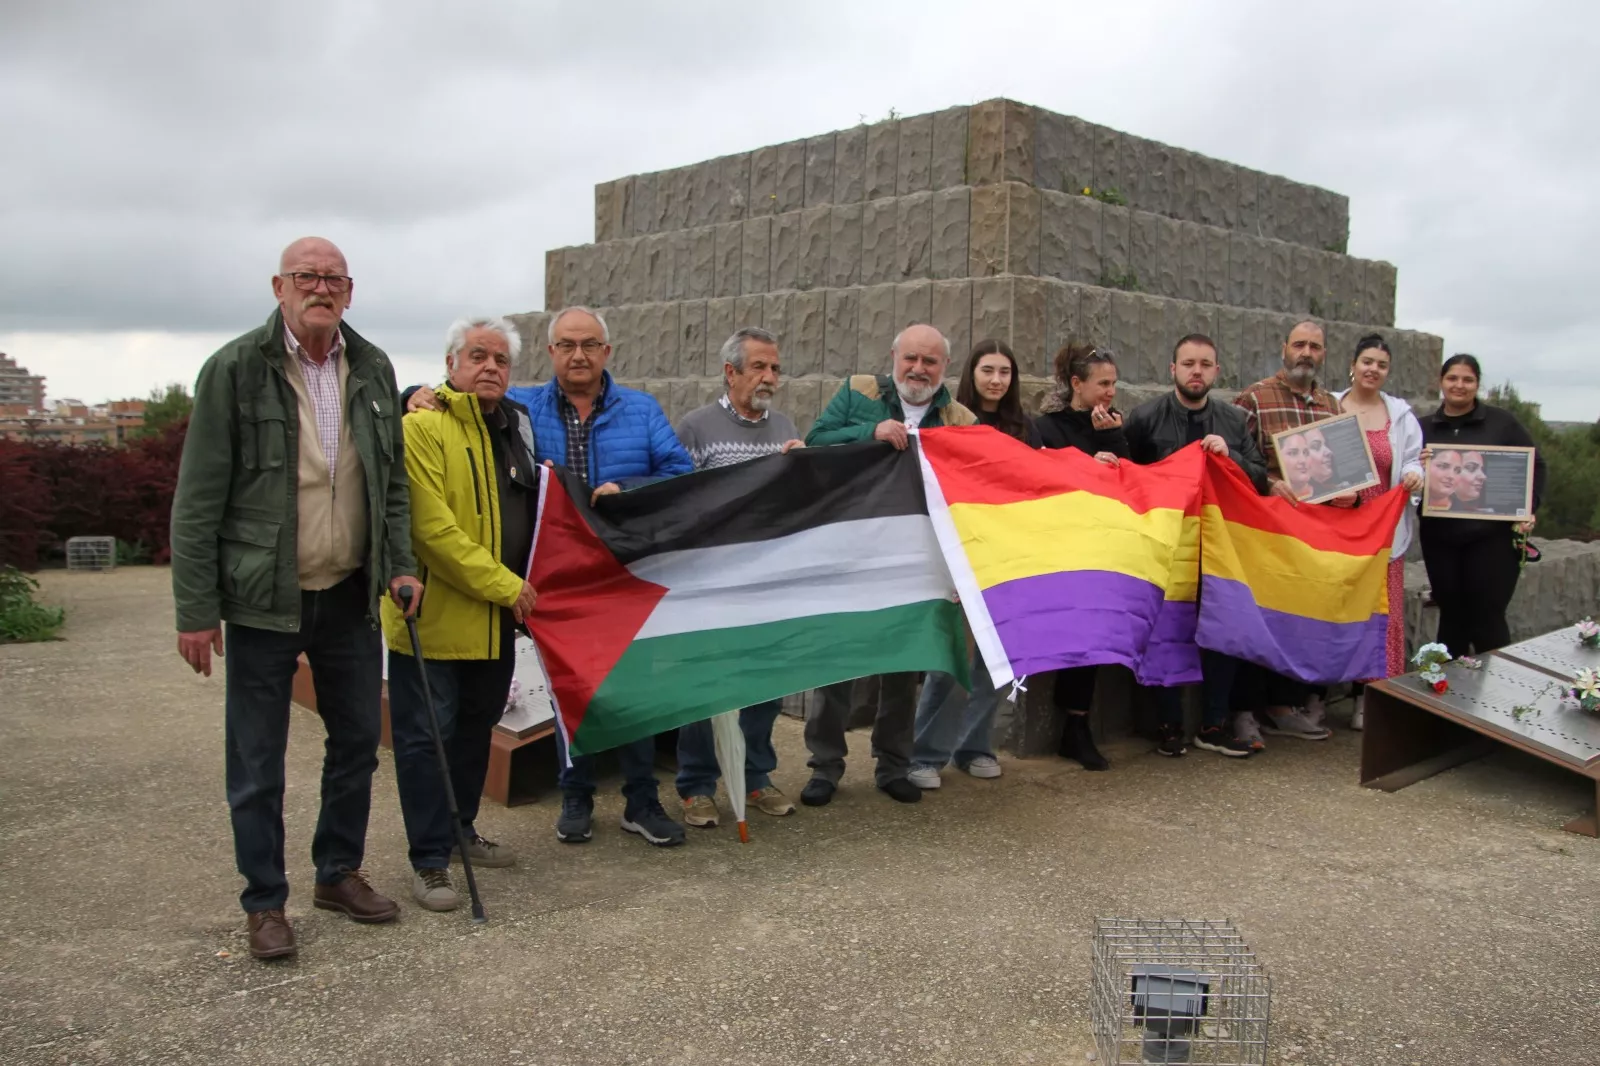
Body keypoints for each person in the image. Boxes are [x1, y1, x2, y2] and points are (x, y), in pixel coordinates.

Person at [170, 237, 422, 960]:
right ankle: (265, 901)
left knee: (357, 743)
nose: (321, 288)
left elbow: (391, 483)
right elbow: (197, 499)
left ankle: (337, 872)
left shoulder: (371, 367)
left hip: (348, 592)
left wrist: (400, 564)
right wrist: (196, 610)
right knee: (257, 760)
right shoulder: (234, 369)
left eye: (333, 278)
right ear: (279, 286)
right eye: (306, 276)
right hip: (264, 598)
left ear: (350, 291)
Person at [503, 307, 694, 846]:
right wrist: (414, 395)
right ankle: (576, 795)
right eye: (567, 345)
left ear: (607, 351)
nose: (578, 355)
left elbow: (679, 472)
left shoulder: (641, 409)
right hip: (558, 577)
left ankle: (641, 801)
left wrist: (627, 489)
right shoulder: (520, 409)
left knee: (636, 687)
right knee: (570, 689)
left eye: (589, 344)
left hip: (625, 573)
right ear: (550, 352)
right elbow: (461, 398)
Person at [380, 317, 537, 912]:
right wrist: (507, 586)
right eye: (478, 356)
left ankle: (459, 831)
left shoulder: (515, 428)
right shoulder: (421, 426)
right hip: (435, 620)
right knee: (427, 744)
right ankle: (428, 861)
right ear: (451, 364)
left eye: (501, 359)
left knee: (475, 733)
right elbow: (432, 531)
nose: (490, 367)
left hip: (495, 622)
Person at [800, 323, 976, 806]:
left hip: (913, 561)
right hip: (851, 552)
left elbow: (974, 486)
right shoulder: (858, 392)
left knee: (902, 670)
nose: (918, 369)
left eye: (930, 361)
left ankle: (894, 766)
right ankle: (825, 767)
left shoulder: (961, 418)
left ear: (945, 367)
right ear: (894, 357)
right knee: (837, 666)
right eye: (910, 358)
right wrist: (870, 433)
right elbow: (815, 442)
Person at [672, 327, 805, 829]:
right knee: (703, 686)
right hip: (710, 583)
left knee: (764, 685)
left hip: (768, 583)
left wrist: (803, 468)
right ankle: (697, 787)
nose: (769, 377)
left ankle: (756, 777)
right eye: (759, 367)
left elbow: (798, 504)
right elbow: (680, 500)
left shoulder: (785, 427)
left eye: (775, 368)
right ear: (730, 373)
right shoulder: (696, 428)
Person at [1125, 334, 1267, 759]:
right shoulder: (1144, 418)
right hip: (1166, 545)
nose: (1196, 371)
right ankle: (1168, 725)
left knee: (1224, 629)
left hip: (1220, 546)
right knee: (1166, 630)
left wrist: (1231, 459)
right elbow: (1128, 476)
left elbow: (1260, 479)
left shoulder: (1234, 421)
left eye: (1205, 364)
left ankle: (1214, 724)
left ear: (1217, 371)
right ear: (1173, 369)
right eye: (1188, 363)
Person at [907, 340, 1034, 791]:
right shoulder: (950, 420)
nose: (996, 380)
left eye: (1005, 372)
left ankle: (975, 746)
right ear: (971, 374)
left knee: (994, 660)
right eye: (987, 370)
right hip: (958, 555)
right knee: (950, 661)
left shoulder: (1026, 428)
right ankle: (924, 754)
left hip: (1008, 557)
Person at [1233, 319, 1354, 743]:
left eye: (1315, 347)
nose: (1306, 353)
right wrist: (1268, 482)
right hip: (1266, 534)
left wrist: (1351, 494)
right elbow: (1235, 462)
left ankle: (1284, 707)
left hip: (1312, 538)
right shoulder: (1254, 398)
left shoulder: (1332, 407)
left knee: (1298, 621)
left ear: (1324, 354)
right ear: (1284, 348)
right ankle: (1244, 711)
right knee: (1259, 622)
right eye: (1299, 344)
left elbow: (1345, 471)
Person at [1034, 343, 1129, 770]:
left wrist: (1112, 440)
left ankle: (1077, 726)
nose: (1110, 391)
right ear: (1077, 383)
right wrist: (1090, 464)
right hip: (1061, 545)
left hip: (1103, 545)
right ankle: (1072, 725)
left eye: (1113, 383)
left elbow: (1132, 481)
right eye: (1103, 383)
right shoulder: (1047, 427)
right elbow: (1044, 477)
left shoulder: (1115, 424)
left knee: (1096, 631)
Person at [1419, 354, 1546, 658]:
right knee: (1451, 616)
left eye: (1468, 379)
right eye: (1452, 378)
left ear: (1477, 384)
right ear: (1440, 382)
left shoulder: (1502, 423)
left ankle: (1497, 686)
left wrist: (1529, 507)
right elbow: (1404, 474)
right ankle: (1447, 684)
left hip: (1493, 539)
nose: (1459, 385)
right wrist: (1417, 467)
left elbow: (1536, 465)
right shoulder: (1421, 427)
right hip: (1440, 539)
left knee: (1488, 618)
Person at [1334, 333, 1425, 729]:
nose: (1373, 369)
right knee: (1336, 612)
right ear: (1353, 365)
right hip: (1337, 529)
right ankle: (1317, 695)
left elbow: (1414, 459)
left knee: (1380, 617)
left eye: (1381, 365)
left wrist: (1414, 474)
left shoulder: (1400, 416)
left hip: (1384, 531)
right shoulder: (1329, 406)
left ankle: (1368, 698)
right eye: (1367, 361)